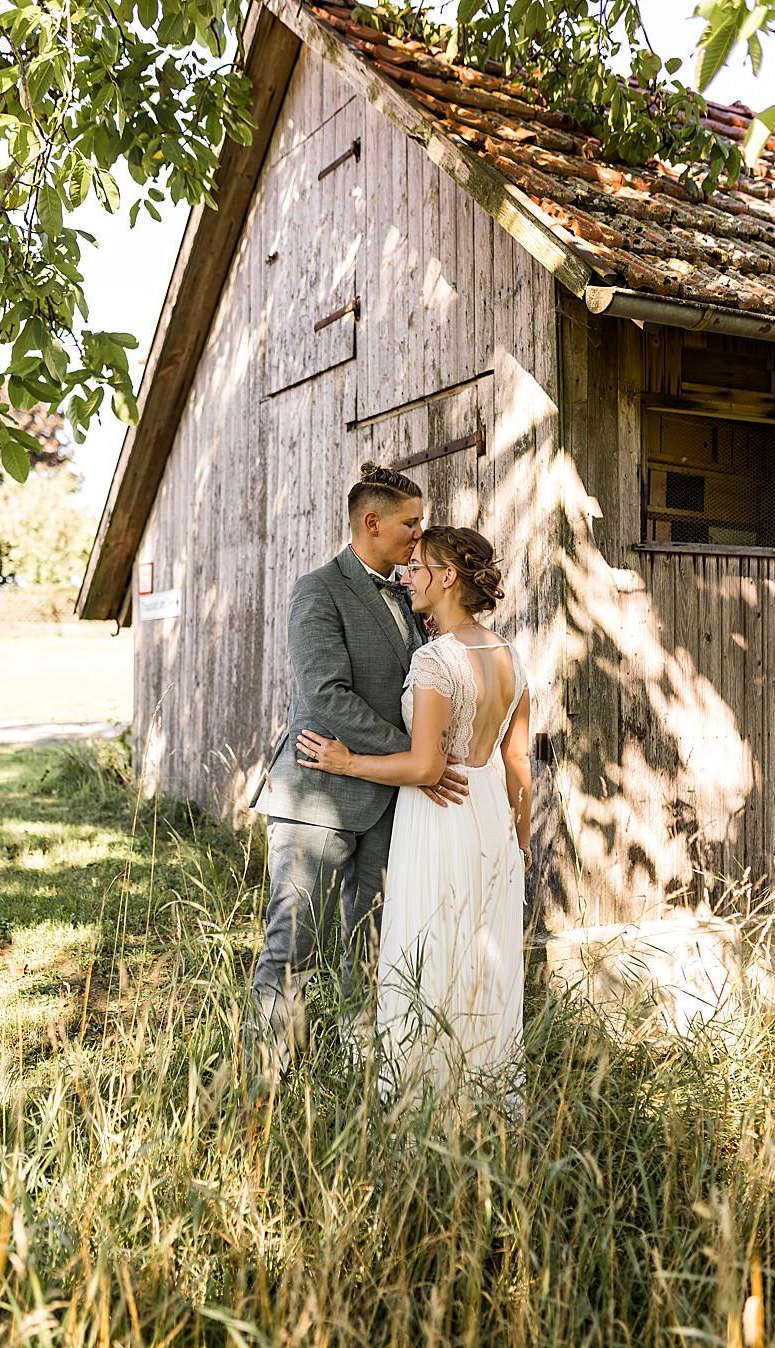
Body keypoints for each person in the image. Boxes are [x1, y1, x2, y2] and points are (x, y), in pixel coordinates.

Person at [248, 462, 469, 1085]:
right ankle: (265, 1084)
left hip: (389, 802)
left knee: (370, 949)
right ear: (371, 524)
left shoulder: (408, 593)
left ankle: (360, 1077)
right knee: (294, 947)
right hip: (319, 795)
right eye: (410, 522)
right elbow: (326, 696)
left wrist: (413, 765)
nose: (418, 533)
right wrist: (416, 757)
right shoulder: (317, 590)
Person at [294, 524, 532, 1091]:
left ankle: (424, 1096)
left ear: (447, 578)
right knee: (481, 954)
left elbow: (426, 768)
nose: (408, 578)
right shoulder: (510, 656)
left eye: (418, 569)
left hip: (439, 819)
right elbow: (518, 761)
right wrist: (519, 839)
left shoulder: (435, 661)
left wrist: (346, 762)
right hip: (492, 817)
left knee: (428, 946)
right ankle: (487, 1090)